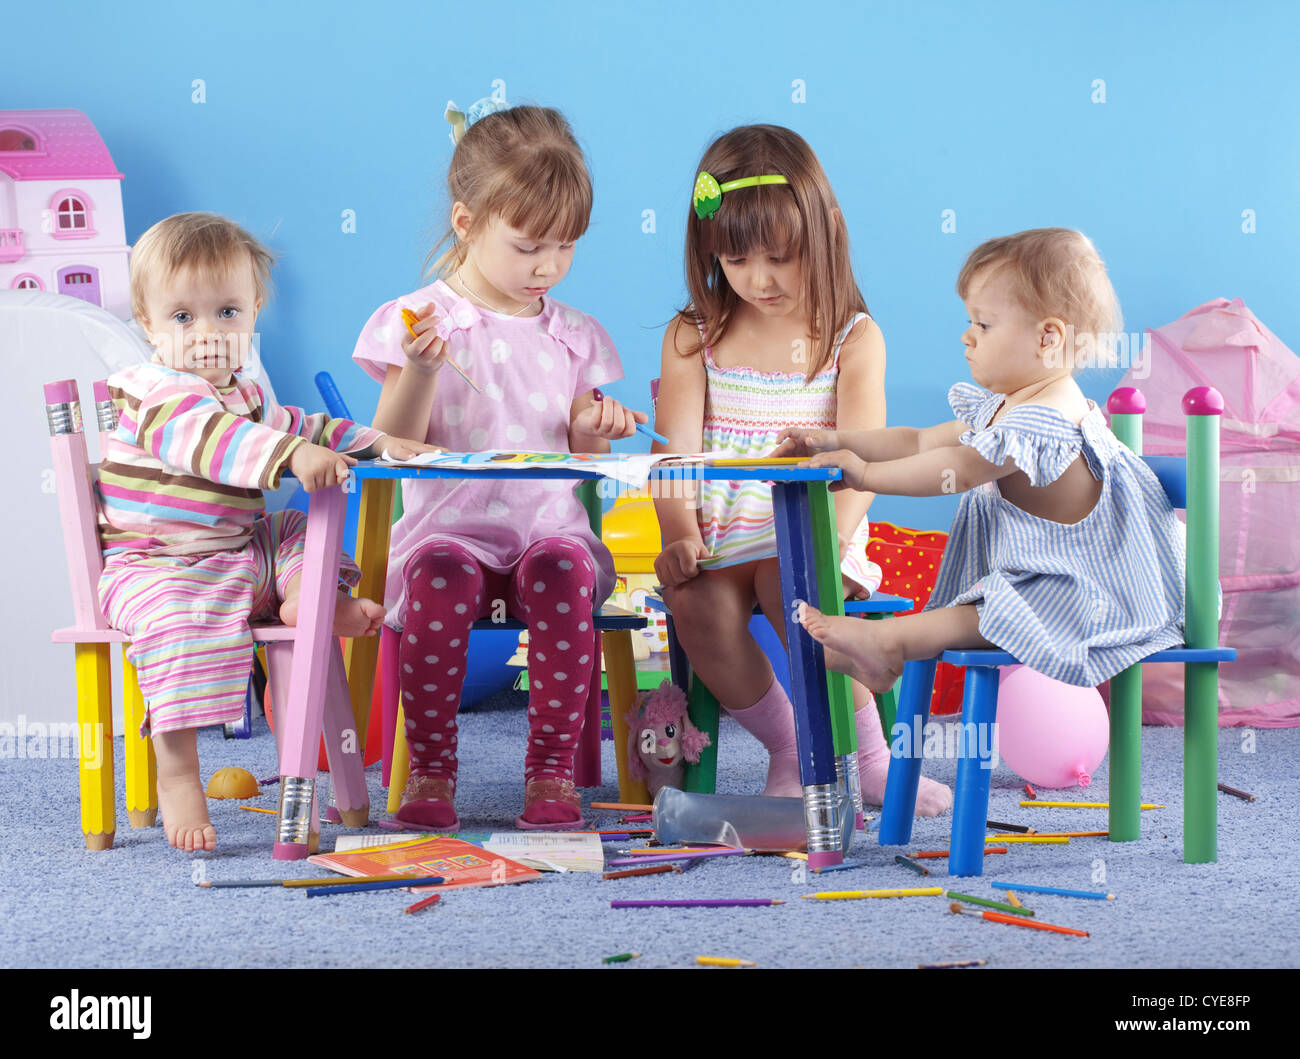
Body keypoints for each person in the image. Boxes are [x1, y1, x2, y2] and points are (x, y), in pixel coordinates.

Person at [353, 103, 651, 830]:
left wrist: (593, 426)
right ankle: (430, 766)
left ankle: (549, 770)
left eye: (565, 247)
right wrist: (420, 370)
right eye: (528, 247)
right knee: (438, 578)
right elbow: (389, 448)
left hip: (548, 533)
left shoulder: (574, 335)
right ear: (466, 223)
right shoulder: (422, 319)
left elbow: (588, 468)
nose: (547, 267)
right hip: (446, 534)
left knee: (561, 575)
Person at [98, 212, 435, 852]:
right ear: (146, 324)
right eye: (182, 317)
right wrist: (288, 456)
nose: (208, 335)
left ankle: (311, 598)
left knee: (296, 530)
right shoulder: (152, 392)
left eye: (227, 312)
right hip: (156, 566)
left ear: (254, 312)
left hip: (235, 553)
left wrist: (376, 442)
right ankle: (177, 774)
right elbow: (215, 440)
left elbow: (303, 427)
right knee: (173, 625)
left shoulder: (245, 392)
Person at [652, 124, 952, 815]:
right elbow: (672, 457)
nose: (760, 279)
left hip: (817, 529)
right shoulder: (693, 335)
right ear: (709, 252)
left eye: (780, 258)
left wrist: (826, 537)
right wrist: (678, 534)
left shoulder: (853, 336)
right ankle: (790, 750)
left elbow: (861, 460)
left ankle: (869, 758)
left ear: (825, 235)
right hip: (721, 538)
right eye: (736, 258)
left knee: (791, 580)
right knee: (694, 602)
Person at [783, 228, 1185, 695]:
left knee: (991, 606)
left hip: (1092, 592)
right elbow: (917, 442)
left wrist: (867, 475)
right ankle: (885, 650)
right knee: (987, 600)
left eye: (984, 325)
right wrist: (831, 438)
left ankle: (887, 643)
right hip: (1040, 576)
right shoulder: (1008, 405)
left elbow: (960, 467)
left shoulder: (1048, 416)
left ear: (1047, 337)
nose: (967, 337)